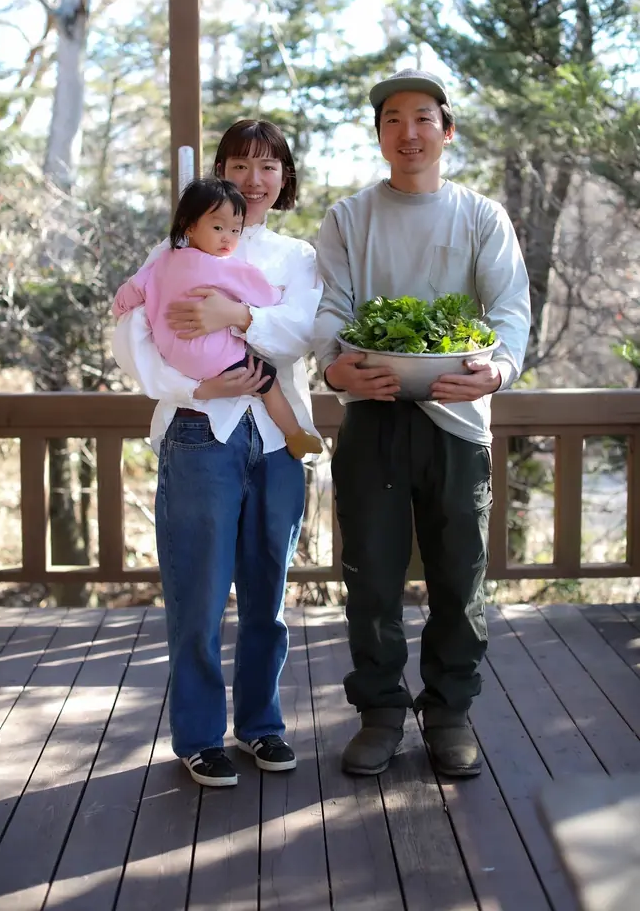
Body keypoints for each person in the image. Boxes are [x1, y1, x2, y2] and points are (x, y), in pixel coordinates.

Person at [313, 69, 530, 778]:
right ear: (378, 134)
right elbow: (330, 312)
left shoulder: (480, 217)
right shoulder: (348, 217)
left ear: (446, 129)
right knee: (370, 577)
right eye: (391, 120)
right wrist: (334, 366)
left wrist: (496, 370)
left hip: (457, 421)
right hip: (371, 417)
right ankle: (379, 712)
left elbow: (507, 314)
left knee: (457, 578)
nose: (407, 133)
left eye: (421, 118)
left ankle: (447, 713)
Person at [112, 120, 322, 787]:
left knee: (268, 598)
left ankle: (261, 727)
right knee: (198, 595)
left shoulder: (298, 257)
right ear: (218, 172)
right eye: (239, 165)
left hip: (275, 442)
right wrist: (192, 386)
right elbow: (132, 334)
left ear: (284, 177)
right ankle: (200, 737)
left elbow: (301, 335)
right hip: (198, 431)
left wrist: (233, 316)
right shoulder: (172, 249)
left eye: (269, 166)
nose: (253, 179)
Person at [111, 176, 321, 460]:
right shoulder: (222, 267)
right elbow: (263, 295)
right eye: (219, 227)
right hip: (216, 360)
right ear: (190, 225)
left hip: (177, 360)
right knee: (266, 382)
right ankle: (295, 435)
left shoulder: (162, 261)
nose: (227, 238)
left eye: (235, 230)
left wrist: (119, 307)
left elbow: (130, 294)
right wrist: (275, 293)